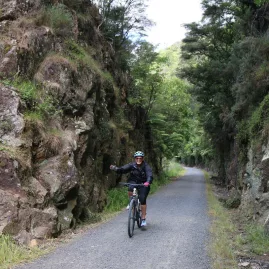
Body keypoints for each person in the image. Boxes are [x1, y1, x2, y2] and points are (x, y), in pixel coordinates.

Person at [110, 151, 153, 227]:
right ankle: (131, 202)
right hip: (133, 181)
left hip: (143, 184)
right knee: (130, 187)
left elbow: (149, 175)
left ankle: (143, 218)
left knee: (142, 199)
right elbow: (123, 169)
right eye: (137, 158)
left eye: (140, 158)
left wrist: (148, 182)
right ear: (135, 159)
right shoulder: (132, 165)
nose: (138, 160)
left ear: (143, 159)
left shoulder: (146, 166)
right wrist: (115, 169)